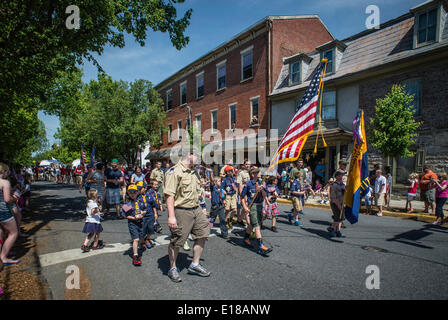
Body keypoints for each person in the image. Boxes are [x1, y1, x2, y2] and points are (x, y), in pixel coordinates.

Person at [164, 148, 211, 282]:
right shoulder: (174, 172)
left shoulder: (194, 172)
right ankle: (172, 268)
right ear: (189, 155)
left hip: (196, 208)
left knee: (203, 233)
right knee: (177, 240)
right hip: (181, 210)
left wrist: (201, 207)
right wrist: (171, 216)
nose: (199, 158)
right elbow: (169, 195)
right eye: (197, 156)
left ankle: (194, 264)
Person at [0, 163, 20, 266]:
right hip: (3, 212)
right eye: (7, 171)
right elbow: (7, 199)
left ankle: (3, 251)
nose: (8, 173)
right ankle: (3, 257)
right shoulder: (4, 182)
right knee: (13, 233)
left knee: (2, 232)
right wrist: (15, 198)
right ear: (3, 171)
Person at [122, 184, 146, 266]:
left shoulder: (140, 201)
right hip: (133, 223)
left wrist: (142, 213)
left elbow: (145, 210)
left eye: (134, 192)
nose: (132, 194)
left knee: (141, 237)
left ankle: (142, 244)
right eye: (130, 192)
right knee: (135, 239)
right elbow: (125, 215)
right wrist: (133, 218)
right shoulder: (128, 203)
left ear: (137, 192)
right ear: (128, 193)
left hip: (141, 222)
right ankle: (135, 255)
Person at [328, 171, 346, 237]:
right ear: (337, 177)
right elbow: (333, 198)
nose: (342, 177)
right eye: (341, 175)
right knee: (337, 217)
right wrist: (339, 206)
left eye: (343, 175)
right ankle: (332, 228)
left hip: (342, 203)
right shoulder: (334, 185)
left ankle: (338, 230)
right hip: (335, 203)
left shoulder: (343, 185)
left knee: (341, 218)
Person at [236, 160, 251, 226]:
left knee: (247, 207)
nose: (248, 165)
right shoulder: (241, 173)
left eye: (249, 164)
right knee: (246, 207)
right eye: (246, 164)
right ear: (244, 165)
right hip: (244, 192)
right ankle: (249, 223)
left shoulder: (251, 172)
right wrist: (242, 195)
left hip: (250, 192)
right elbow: (239, 184)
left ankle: (239, 220)